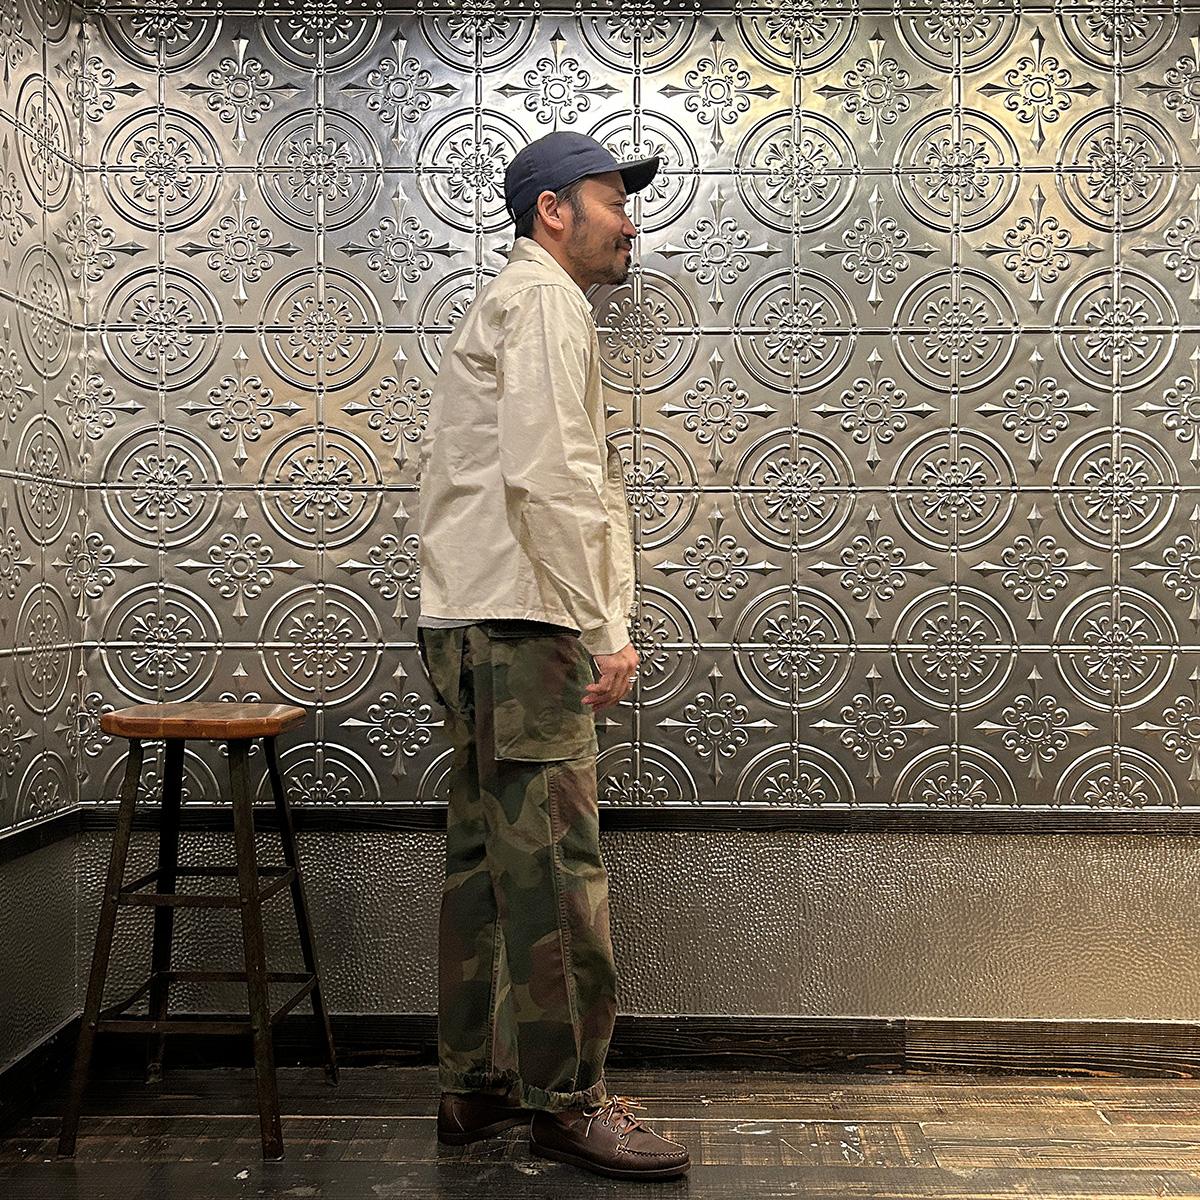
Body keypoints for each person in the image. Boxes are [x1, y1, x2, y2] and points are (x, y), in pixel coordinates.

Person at [415, 131, 690, 1181]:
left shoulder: (516, 301)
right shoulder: (543, 302)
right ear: (553, 211)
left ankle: (476, 1085)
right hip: (525, 626)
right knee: (558, 872)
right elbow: (550, 477)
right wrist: (603, 626)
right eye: (613, 199)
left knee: (488, 863)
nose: (630, 221)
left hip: (473, 619)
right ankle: (568, 1103)